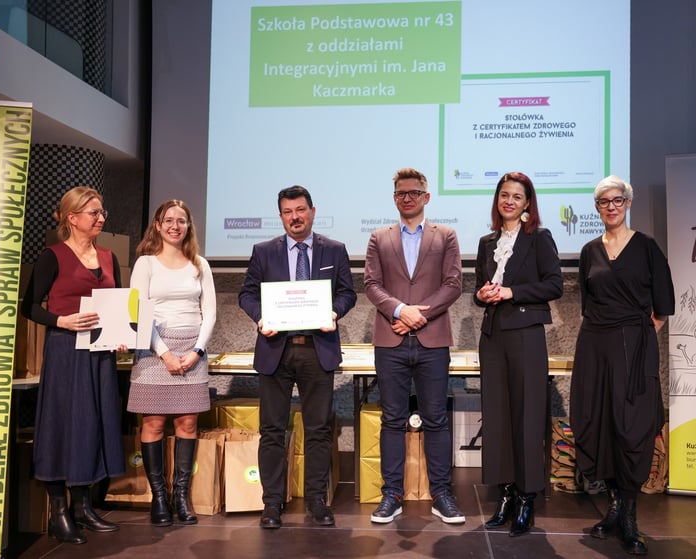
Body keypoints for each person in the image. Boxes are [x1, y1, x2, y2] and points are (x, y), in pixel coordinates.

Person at [239, 185, 356, 529]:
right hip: (275, 350)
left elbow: (348, 293)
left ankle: (317, 501)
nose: (295, 217)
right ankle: (272, 503)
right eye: (288, 212)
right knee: (272, 431)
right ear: (281, 216)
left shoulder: (334, 250)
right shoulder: (263, 252)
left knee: (318, 430)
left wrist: (334, 312)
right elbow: (246, 294)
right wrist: (261, 317)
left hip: (317, 349)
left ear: (312, 212)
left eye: (301, 210)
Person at [570, 175, 675, 556]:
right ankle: (614, 506)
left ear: (628, 203)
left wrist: (640, 335)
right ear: (597, 208)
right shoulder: (589, 251)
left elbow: (663, 305)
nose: (611, 207)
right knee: (600, 423)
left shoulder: (646, 247)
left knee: (632, 427)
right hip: (595, 345)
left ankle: (630, 515)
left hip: (634, 346)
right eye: (604, 202)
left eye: (617, 200)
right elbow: (588, 304)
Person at [21, 186, 125, 544]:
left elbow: (117, 304)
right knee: (62, 424)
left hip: (100, 353)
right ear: (72, 217)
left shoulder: (109, 257)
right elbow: (29, 306)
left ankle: (82, 506)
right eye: (94, 212)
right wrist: (61, 321)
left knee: (92, 424)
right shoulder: (53, 256)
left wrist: (121, 334)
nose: (100, 218)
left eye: (102, 212)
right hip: (66, 351)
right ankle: (58, 511)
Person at [364, 167, 465, 525]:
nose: (407, 198)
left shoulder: (446, 236)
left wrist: (418, 315)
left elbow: (453, 284)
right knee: (392, 419)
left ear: (426, 196)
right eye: (401, 193)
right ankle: (391, 494)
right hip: (390, 341)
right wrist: (400, 310)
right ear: (394, 198)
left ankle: (442, 494)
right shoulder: (379, 237)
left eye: (414, 192)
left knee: (436, 419)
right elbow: (371, 284)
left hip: (432, 340)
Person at [473, 172, 563, 537]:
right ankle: (506, 495)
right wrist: (482, 294)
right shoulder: (486, 242)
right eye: (504, 195)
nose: (509, 201)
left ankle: (527, 498)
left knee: (526, 417)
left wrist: (512, 292)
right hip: (493, 336)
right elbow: (479, 287)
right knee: (497, 418)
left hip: (526, 334)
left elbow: (555, 284)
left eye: (517, 196)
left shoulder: (538, 237)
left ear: (527, 203)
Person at [127, 199, 217, 527]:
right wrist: (164, 352)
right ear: (157, 225)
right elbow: (137, 310)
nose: (175, 226)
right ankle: (159, 498)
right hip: (154, 352)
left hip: (192, 351)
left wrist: (197, 351)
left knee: (187, 425)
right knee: (152, 424)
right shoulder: (145, 264)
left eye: (181, 220)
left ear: (189, 226)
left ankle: (181, 496)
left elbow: (210, 313)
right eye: (168, 220)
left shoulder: (200, 264)